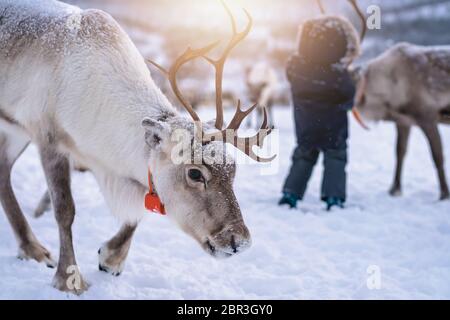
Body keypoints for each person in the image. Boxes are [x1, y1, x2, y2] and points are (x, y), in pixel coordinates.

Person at [279, 16, 360, 211]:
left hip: (305, 124)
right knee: (336, 158)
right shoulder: (339, 75)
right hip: (334, 127)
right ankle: (333, 198)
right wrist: (353, 77)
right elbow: (349, 99)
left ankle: (290, 194)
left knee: (304, 156)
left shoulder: (295, 68)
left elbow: (291, 74)